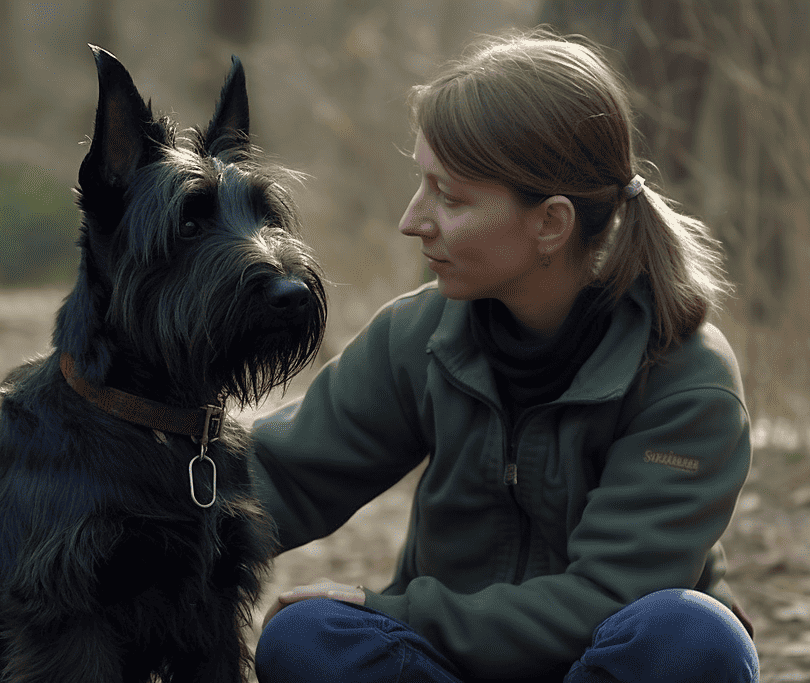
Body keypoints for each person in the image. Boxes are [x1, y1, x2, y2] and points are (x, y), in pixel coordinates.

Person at [250, 27, 759, 683]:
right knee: (305, 636)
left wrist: (401, 609)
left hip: (608, 662)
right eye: (421, 183)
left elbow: (607, 598)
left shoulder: (688, 379)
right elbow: (281, 477)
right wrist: (117, 479)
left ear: (549, 222)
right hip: (449, 666)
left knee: (694, 635)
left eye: (450, 196)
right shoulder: (418, 334)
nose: (413, 219)